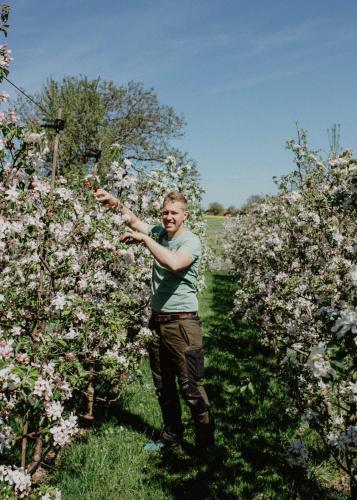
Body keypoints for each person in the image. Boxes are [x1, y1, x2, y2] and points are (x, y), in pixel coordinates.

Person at [95, 189, 214, 454]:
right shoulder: (159, 233)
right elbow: (135, 221)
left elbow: (173, 263)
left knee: (191, 387)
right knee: (163, 386)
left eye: (174, 213)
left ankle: (206, 445)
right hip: (157, 322)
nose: (169, 217)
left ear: (185, 215)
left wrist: (145, 240)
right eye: (165, 213)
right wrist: (116, 204)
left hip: (183, 324)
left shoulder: (190, 242)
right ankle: (171, 438)